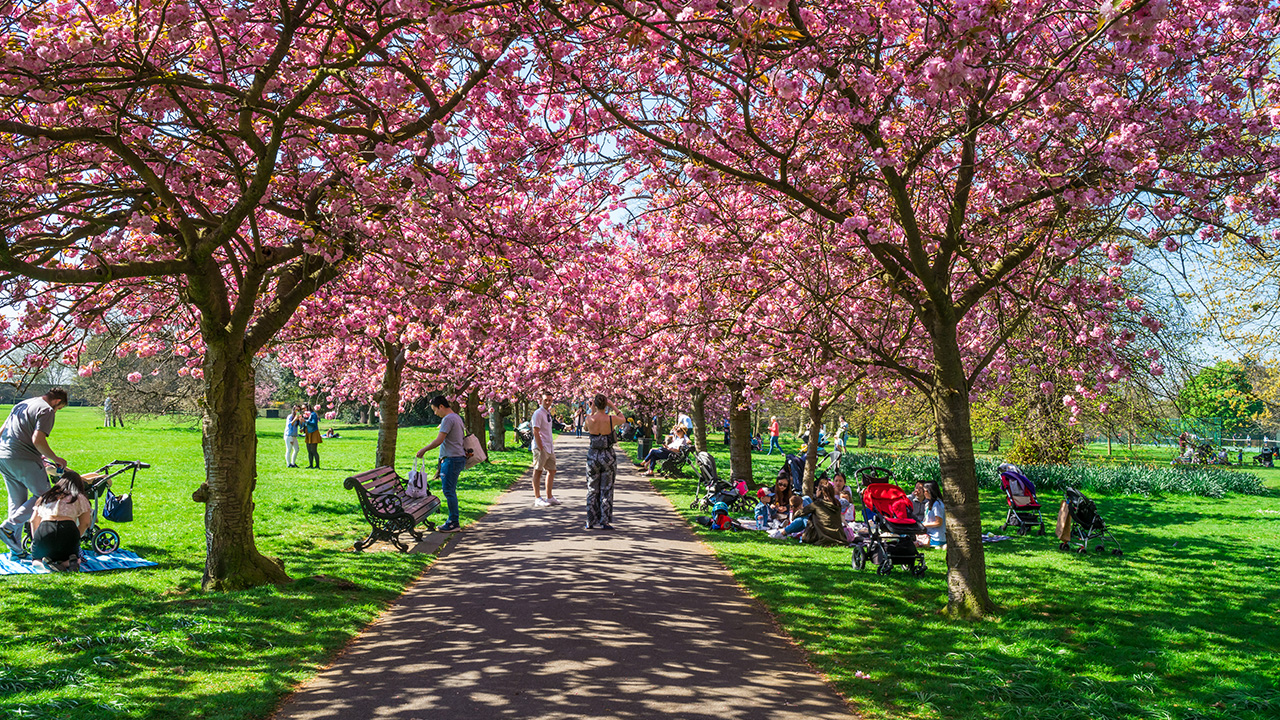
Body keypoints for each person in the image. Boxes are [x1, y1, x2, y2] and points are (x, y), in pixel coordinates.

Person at [0, 388, 70, 556]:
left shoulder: (23, 404)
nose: (56, 412)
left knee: (17, 501)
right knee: (47, 496)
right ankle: (8, 527)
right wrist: (55, 458)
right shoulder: (46, 409)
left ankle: (15, 548)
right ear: (57, 402)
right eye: (59, 409)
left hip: (3, 456)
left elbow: (2, 430)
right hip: (24, 458)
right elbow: (37, 440)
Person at [416, 396, 467, 532]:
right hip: (457, 457)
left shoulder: (448, 419)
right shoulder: (456, 417)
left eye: (435, 410)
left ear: (441, 406)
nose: (435, 413)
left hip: (451, 459)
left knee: (449, 491)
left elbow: (439, 440)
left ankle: (453, 522)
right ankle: (453, 521)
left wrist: (424, 450)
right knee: (450, 490)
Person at [29, 468, 92, 571]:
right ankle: (68, 563)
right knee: (76, 557)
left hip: (45, 530)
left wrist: (36, 539)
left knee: (36, 560)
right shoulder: (80, 498)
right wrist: (76, 537)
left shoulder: (46, 497)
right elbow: (85, 523)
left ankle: (46, 565)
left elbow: (33, 520)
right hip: (68, 529)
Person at [583, 394, 626, 530]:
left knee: (592, 488)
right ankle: (604, 520)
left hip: (593, 456)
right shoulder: (611, 419)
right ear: (605, 404)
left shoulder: (589, 419)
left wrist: (592, 411)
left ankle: (590, 520)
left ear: (595, 404)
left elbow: (585, 428)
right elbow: (623, 419)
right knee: (606, 489)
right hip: (608, 456)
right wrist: (612, 406)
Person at [530, 392, 560, 507]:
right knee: (538, 470)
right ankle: (537, 498)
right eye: (545, 400)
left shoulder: (547, 413)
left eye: (549, 400)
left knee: (552, 470)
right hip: (541, 447)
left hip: (549, 447)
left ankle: (549, 497)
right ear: (540, 400)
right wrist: (540, 447)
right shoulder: (538, 413)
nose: (547, 402)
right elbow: (535, 431)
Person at [920, 481, 946, 549]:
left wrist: (924, 525)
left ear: (930, 492)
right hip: (929, 533)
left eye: (925, 491)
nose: (923, 493)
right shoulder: (928, 504)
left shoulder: (937, 504)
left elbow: (938, 522)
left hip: (936, 537)